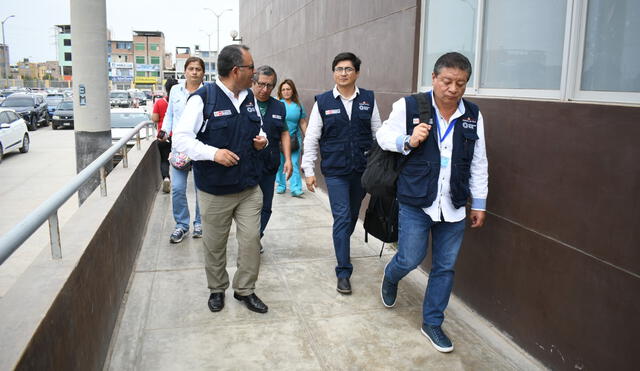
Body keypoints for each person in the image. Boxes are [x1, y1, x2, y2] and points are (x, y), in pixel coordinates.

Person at [375, 52, 488, 353]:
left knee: (445, 267)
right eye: (448, 81)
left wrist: (479, 203)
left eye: (461, 84)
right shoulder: (411, 106)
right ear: (435, 78)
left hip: (453, 203)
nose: (453, 89)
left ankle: (432, 323)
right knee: (410, 258)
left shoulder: (473, 115)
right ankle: (392, 275)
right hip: (416, 200)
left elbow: (479, 161)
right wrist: (407, 140)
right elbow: (383, 134)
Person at [173, 44, 270, 314]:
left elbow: (259, 128)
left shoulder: (249, 98)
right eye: (251, 68)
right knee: (215, 245)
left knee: (251, 241)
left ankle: (245, 290)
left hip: (249, 187)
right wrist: (213, 153)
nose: (254, 73)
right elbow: (181, 139)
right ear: (237, 70)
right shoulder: (204, 98)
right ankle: (217, 289)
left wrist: (263, 140)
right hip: (215, 191)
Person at [301, 52, 382, 294]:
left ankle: (341, 243)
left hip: (362, 170)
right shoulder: (323, 102)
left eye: (348, 69)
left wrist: (381, 165)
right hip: (335, 171)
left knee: (351, 217)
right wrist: (308, 170)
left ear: (357, 72)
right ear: (333, 73)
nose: (343, 73)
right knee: (343, 217)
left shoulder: (368, 99)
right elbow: (312, 137)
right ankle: (344, 271)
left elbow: (378, 133)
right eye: (339, 69)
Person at [160, 57, 205, 243]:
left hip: (201, 146)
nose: (194, 72)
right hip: (179, 147)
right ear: (185, 71)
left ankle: (200, 223)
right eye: (191, 68)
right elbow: (170, 114)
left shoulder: (208, 92)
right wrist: (164, 130)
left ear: (203, 73)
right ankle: (181, 225)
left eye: (198, 69)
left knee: (201, 189)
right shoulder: (175, 90)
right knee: (178, 188)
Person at [251, 66, 293, 253]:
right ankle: (249, 238)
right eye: (261, 84)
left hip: (269, 163)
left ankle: (256, 237)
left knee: (266, 206)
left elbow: (284, 132)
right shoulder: (244, 102)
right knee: (247, 206)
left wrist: (288, 159)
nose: (265, 89)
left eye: (270, 85)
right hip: (246, 163)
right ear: (253, 82)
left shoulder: (279, 106)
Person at [276, 79, 308, 197]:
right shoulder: (277, 103)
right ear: (280, 91)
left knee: (294, 162)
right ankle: (281, 185)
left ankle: (295, 188)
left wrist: (308, 137)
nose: (286, 92)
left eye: (288, 89)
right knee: (280, 163)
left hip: (294, 140)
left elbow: (303, 122)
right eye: (283, 89)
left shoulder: (298, 105)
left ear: (293, 90)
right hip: (278, 140)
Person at [152, 77, 178, 193]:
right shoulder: (179, 103)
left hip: (163, 136)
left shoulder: (160, 102)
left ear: (166, 89)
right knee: (180, 161)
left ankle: (166, 178)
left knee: (164, 160)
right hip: (177, 136)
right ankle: (179, 182)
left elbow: (155, 119)